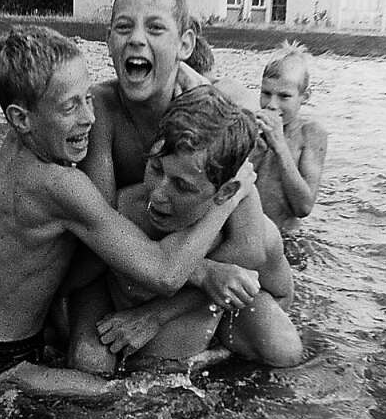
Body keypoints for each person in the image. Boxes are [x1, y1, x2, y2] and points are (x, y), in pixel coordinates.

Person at [0, 25, 257, 398]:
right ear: (21, 119)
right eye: (70, 107)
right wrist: (230, 197)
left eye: (88, 97)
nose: (90, 118)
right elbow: (163, 273)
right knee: (122, 394)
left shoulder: (22, 137)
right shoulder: (55, 184)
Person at [71, 0, 263, 372]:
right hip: (122, 261)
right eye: (123, 27)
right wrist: (203, 273)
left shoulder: (217, 114)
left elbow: (248, 246)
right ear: (108, 42)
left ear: (185, 44)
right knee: (89, 362)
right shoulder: (101, 110)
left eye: (155, 28)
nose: (136, 39)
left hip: (185, 250)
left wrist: (155, 315)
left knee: (277, 345)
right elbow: (103, 237)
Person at [96, 85, 302, 371]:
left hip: (204, 337)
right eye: (156, 169)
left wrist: (216, 358)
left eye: (182, 186)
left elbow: (284, 295)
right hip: (151, 347)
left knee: (284, 348)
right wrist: (203, 273)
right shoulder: (124, 212)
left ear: (225, 193)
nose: (157, 194)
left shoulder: (254, 235)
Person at [253, 40, 329, 268]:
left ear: (304, 97)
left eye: (284, 96)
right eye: (266, 93)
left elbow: (304, 207)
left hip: (285, 238)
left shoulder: (311, 134)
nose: (272, 105)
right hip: (249, 234)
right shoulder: (250, 128)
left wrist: (280, 147)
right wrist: (252, 150)